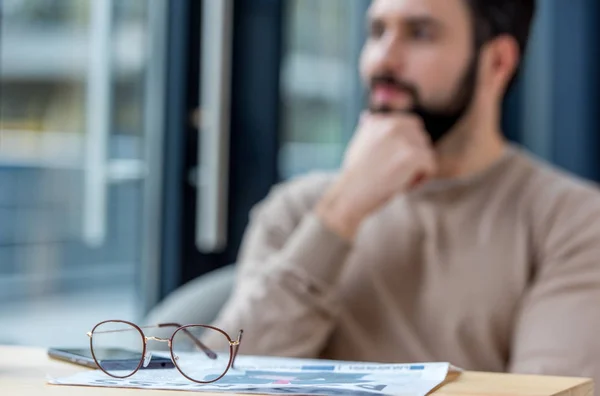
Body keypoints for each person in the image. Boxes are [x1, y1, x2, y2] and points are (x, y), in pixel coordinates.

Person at [208, 0, 600, 382]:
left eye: (420, 33)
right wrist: (341, 212)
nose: (382, 60)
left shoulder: (573, 221)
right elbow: (215, 380)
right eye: (377, 31)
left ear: (497, 62)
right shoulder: (298, 210)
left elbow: (550, 391)